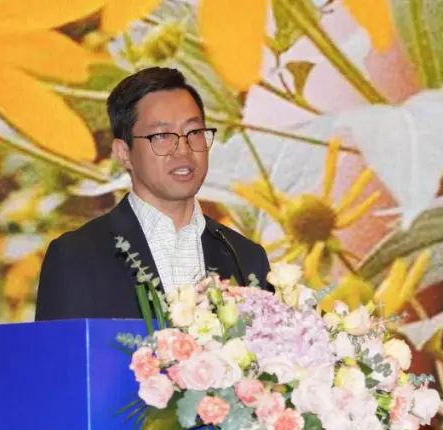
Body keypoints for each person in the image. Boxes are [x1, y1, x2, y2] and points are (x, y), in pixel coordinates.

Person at [34, 67, 270, 320]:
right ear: (124, 153)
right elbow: (60, 346)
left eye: (194, 133)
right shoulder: (76, 257)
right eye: (162, 136)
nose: (183, 150)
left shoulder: (246, 258)